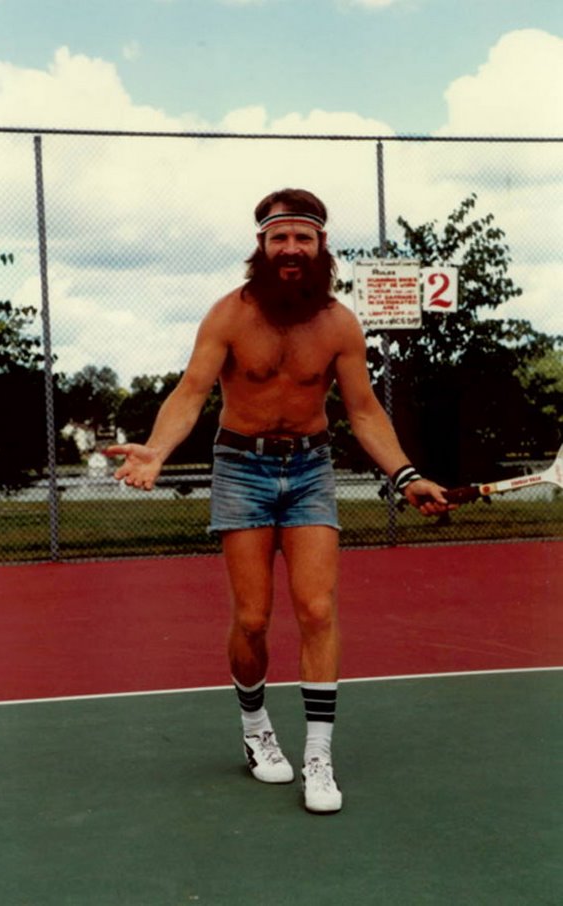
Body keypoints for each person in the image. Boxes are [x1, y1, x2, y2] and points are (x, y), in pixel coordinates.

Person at [107, 188, 453, 815]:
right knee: (253, 620)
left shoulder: (341, 324)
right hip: (241, 467)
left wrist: (406, 475)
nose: (291, 249)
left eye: (303, 238)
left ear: (321, 246)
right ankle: (255, 728)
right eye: (279, 238)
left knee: (318, 609)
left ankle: (318, 756)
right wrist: (156, 451)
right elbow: (190, 392)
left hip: (311, 470)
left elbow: (364, 410)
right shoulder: (229, 316)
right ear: (261, 247)